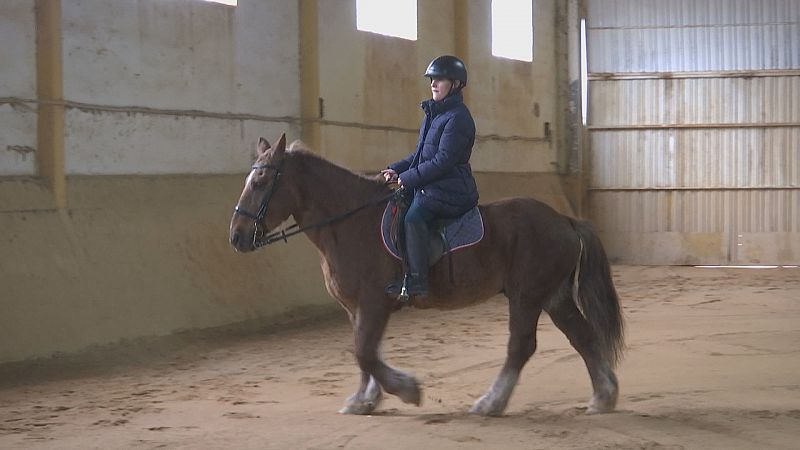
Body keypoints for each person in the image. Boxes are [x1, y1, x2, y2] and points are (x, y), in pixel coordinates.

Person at [382, 55, 479, 298]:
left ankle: (418, 280)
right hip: (432, 183)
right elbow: (419, 155)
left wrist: (410, 178)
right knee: (398, 208)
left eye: (440, 79)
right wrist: (396, 169)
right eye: (432, 79)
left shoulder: (458, 118)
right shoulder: (433, 114)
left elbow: (443, 161)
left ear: (456, 84)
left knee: (413, 217)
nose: (433, 84)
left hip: (451, 188)